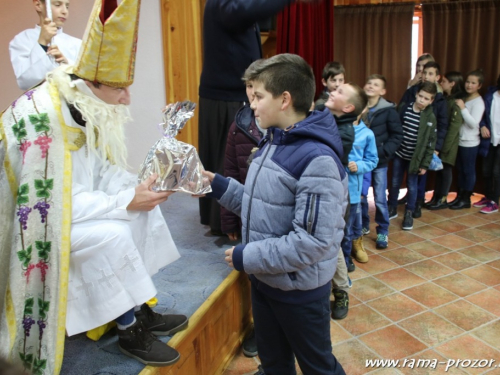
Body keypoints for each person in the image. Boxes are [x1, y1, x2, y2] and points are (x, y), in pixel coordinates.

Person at [1, 0, 187, 372]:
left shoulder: (81, 104)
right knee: (113, 234)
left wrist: (136, 187)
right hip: (33, 228)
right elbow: (55, 206)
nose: (127, 99)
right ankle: (129, 329)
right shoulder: (45, 123)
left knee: (140, 213)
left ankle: (137, 308)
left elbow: (100, 168)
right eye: (120, 89)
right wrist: (124, 200)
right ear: (91, 83)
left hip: (66, 205)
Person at [202, 54, 346, 375]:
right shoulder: (273, 141)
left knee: (318, 366)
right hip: (267, 281)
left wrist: (247, 255)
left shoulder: (316, 159)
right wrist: (219, 185)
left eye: (258, 97)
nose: (251, 105)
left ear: (284, 99)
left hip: (299, 292)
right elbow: (261, 205)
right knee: (274, 362)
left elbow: (312, 242)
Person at [198, 0, 311, 236]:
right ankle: (226, 223)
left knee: (231, 160)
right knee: (229, 160)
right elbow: (240, 12)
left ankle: (230, 220)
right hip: (226, 91)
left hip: (230, 89)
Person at [221, 75, 264, 358]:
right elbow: (230, 172)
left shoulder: (284, 127)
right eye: (248, 87)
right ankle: (261, 331)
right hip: (248, 212)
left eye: (258, 89)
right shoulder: (239, 125)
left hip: (277, 216)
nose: (252, 94)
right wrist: (229, 219)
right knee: (256, 279)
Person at [398, 62, 448, 217]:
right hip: (406, 145)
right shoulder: (413, 90)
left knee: (420, 175)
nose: (426, 76)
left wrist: (437, 147)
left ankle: (418, 202)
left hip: (426, 145)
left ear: (437, 77)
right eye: (424, 72)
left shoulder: (439, 99)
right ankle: (408, 199)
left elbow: (443, 125)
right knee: (406, 177)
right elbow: (401, 109)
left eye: (430, 73)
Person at [361, 74, 403, 249]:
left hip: (379, 161)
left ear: (383, 91)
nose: (371, 86)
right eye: (369, 82)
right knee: (361, 196)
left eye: (376, 84)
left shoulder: (389, 111)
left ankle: (383, 232)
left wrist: (384, 152)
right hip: (361, 161)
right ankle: (363, 225)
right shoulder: (358, 107)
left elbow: (397, 136)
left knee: (379, 198)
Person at [389, 82, 438, 230]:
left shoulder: (430, 117)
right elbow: (396, 129)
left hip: (415, 160)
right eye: (420, 96)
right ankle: (392, 206)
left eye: (426, 98)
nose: (422, 100)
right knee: (395, 182)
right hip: (400, 154)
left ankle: (409, 212)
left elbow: (431, 143)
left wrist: (424, 164)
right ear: (416, 94)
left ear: (431, 101)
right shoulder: (405, 108)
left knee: (412, 185)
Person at [9, 0, 82, 91]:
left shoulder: (78, 43)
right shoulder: (23, 39)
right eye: (58, 5)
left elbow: (87, 82)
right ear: (38, 5)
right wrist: (42, 42)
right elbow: (25, 81)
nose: (64, 11)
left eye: (67, 6)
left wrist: (66, 64)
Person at [341, 114, 378, 268]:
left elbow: (372, 160)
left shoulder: (367, 134)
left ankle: (346, 257)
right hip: (334, 185)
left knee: (347, 227)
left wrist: (359, 166)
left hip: (352, 189)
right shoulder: (336, 128)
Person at [426, 71, 465, 210]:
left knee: (445, 170)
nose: (441, 84)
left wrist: (444, 147)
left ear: (452, 84)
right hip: (443, 142)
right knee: (439, 171)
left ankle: (442, 198)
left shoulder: (456, 101)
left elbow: (454, 127)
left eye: (444, 81)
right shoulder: (446, 99)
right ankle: (436, 197)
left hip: (449, 143)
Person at [449, 69, 486, 210]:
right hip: (459, 140)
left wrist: (463, 109)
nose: (469, 85)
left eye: (473, 83)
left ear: (479, 85)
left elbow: (473, 123)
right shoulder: (464, 97)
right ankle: (459, 196)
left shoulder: (478, 102)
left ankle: (465, 199)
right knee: (460, 169)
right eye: (468, 82)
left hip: (470, 142)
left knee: (468, 171)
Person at [474, 74, 500, 214]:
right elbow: (483, 116)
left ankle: (495, 201)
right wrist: (483, 126)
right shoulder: (491, 95)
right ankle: (488, 197)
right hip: (489, 139)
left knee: (497, 172)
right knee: (486, 170)